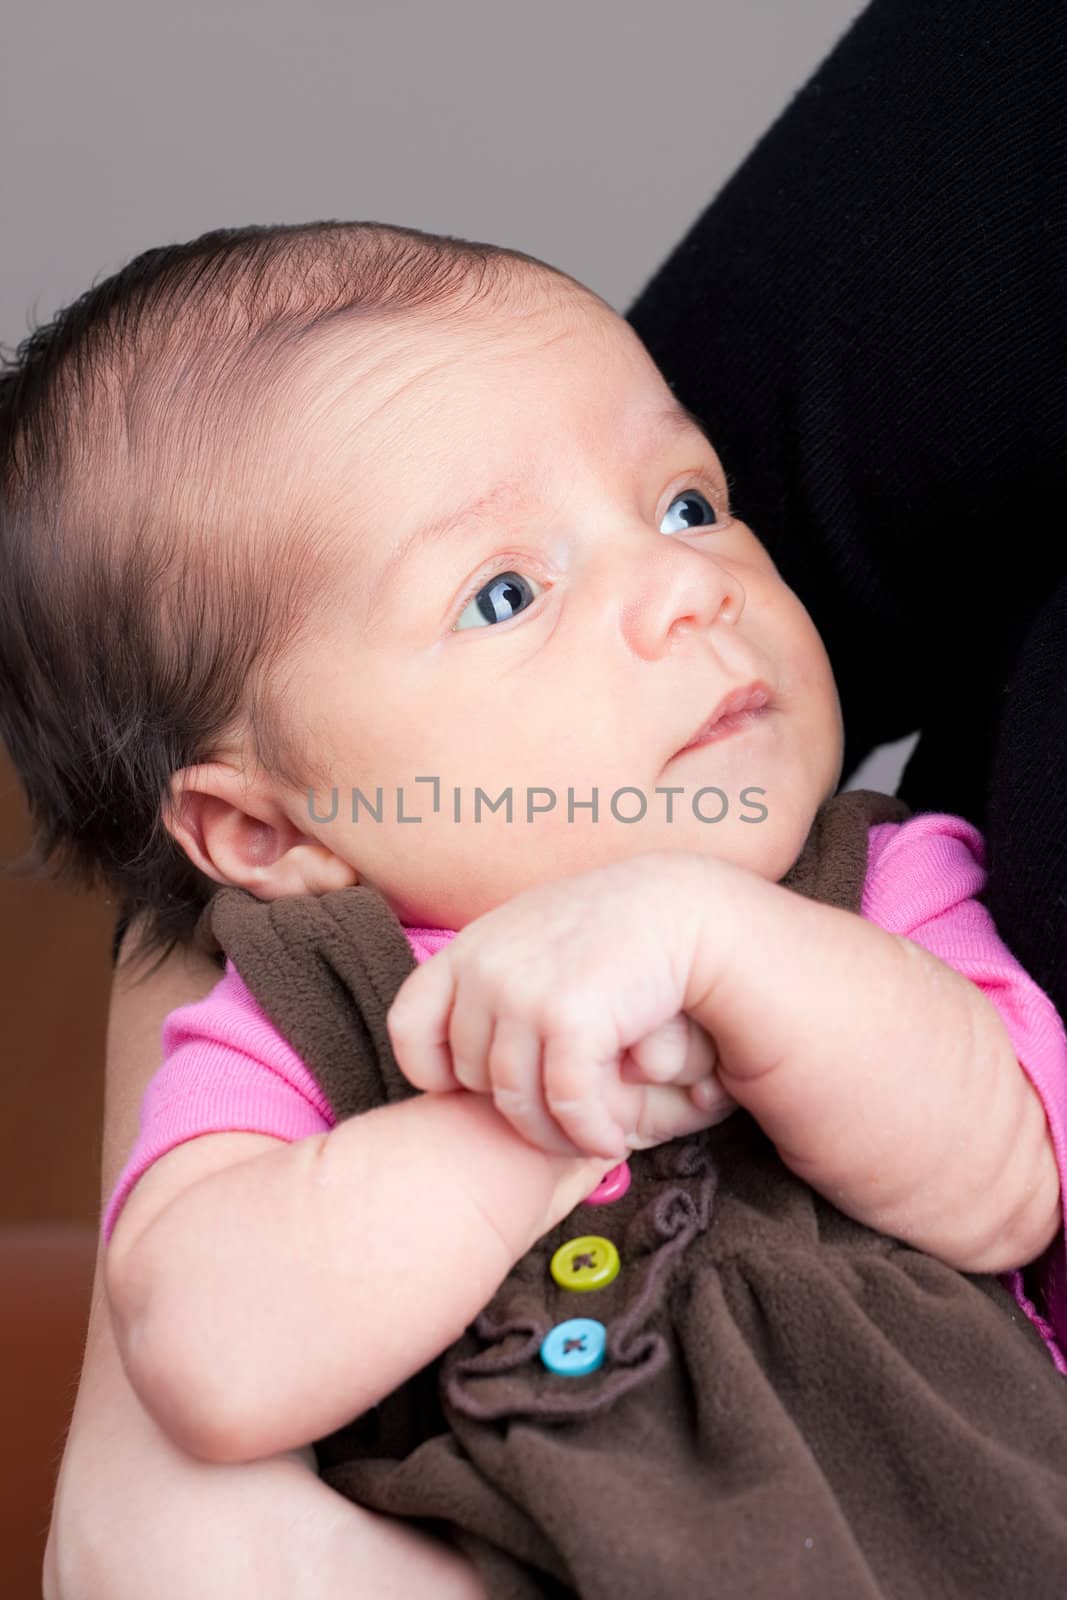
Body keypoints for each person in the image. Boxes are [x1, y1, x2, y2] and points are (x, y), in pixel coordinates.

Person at [29, 0, 1065, 1594]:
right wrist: (529, 1122)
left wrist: (715, 943)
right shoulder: (300, 1007)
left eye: (690, 499)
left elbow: (1005, 1180)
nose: (686, 584)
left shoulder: (877, 888)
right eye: (508, 594)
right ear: (269, 833)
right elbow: (211, 1357)